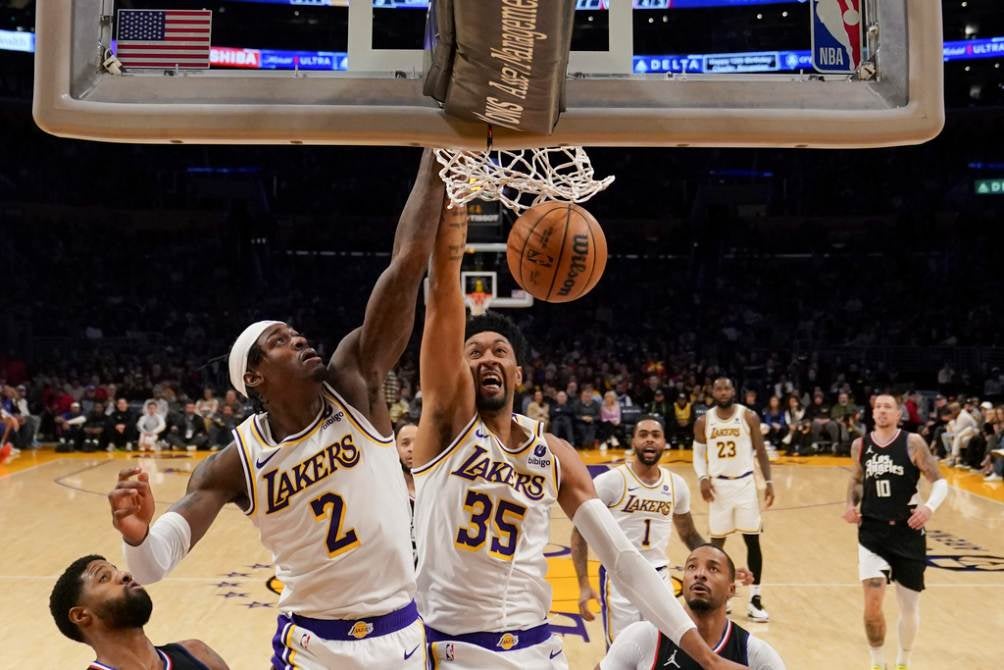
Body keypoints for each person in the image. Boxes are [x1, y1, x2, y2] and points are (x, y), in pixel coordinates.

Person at [106, 150, 444, 669]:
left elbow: (407, 264)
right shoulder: (237, 461)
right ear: (255, 376)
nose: (301, 339)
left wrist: (435, 156)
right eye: (281, 340)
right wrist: (136, 537)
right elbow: (151, 566)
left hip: (400, 634)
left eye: (296, 332)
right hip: (312, 645)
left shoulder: (355, 384)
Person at [412, 200, 744, 669]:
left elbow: (624, 561)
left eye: (500, 350)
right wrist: (452, 201)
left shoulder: (554, 454)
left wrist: (704, 656)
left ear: (518, 373)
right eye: (473, 351)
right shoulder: (444, 430)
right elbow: (442, 296)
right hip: (454, 648)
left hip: (538, 648)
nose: (487, 357)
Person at [571, 416, 707, 646]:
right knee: (621, 653)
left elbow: (690, 535)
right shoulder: (611, 481)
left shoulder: (677, 485)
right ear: (633, 441)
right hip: (621, 577)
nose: (649, 440)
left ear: (664, 442)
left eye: (655, 435)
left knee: (662, 651)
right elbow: (579, 533)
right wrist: (584, 584)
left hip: (659, 577)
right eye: (643, 435)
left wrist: (722, 563)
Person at [843, 394, 948, 670]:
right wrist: (850, 505)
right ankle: (877, 663)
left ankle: (903, 660)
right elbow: (856, 479)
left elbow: (940, 483)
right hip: (872, 533)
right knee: (872, 601)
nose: (881, 411)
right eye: (877, 407)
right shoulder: (860, 445)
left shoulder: (913, 443)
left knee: (909, 606)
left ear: (899, 413)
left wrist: (929, 508)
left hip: (907, 532)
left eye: (887, 407)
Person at [598, 545, 785, 670]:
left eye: (713, 569)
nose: (700, 574)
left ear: (731, 589)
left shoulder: (756, 655)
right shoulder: (643, 638)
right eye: (692, 567)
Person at [49, 554, 228, 670]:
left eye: (117, 570)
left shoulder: (197, 654)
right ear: (81, 616)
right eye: (104, 577)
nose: (125, 574)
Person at [693, 378, 774, 622]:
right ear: (713, 392)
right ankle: (721, 597)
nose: (723, 392)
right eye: (718, 388)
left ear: (733, 391)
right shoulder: (703, 420)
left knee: (753, 541)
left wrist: (768, 482)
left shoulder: (748, 416)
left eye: (727, 388)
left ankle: (755, 598)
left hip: (745, 484)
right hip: (718, 486)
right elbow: (697, 455)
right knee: (716, 546)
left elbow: (760, 450)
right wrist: (702, 478)